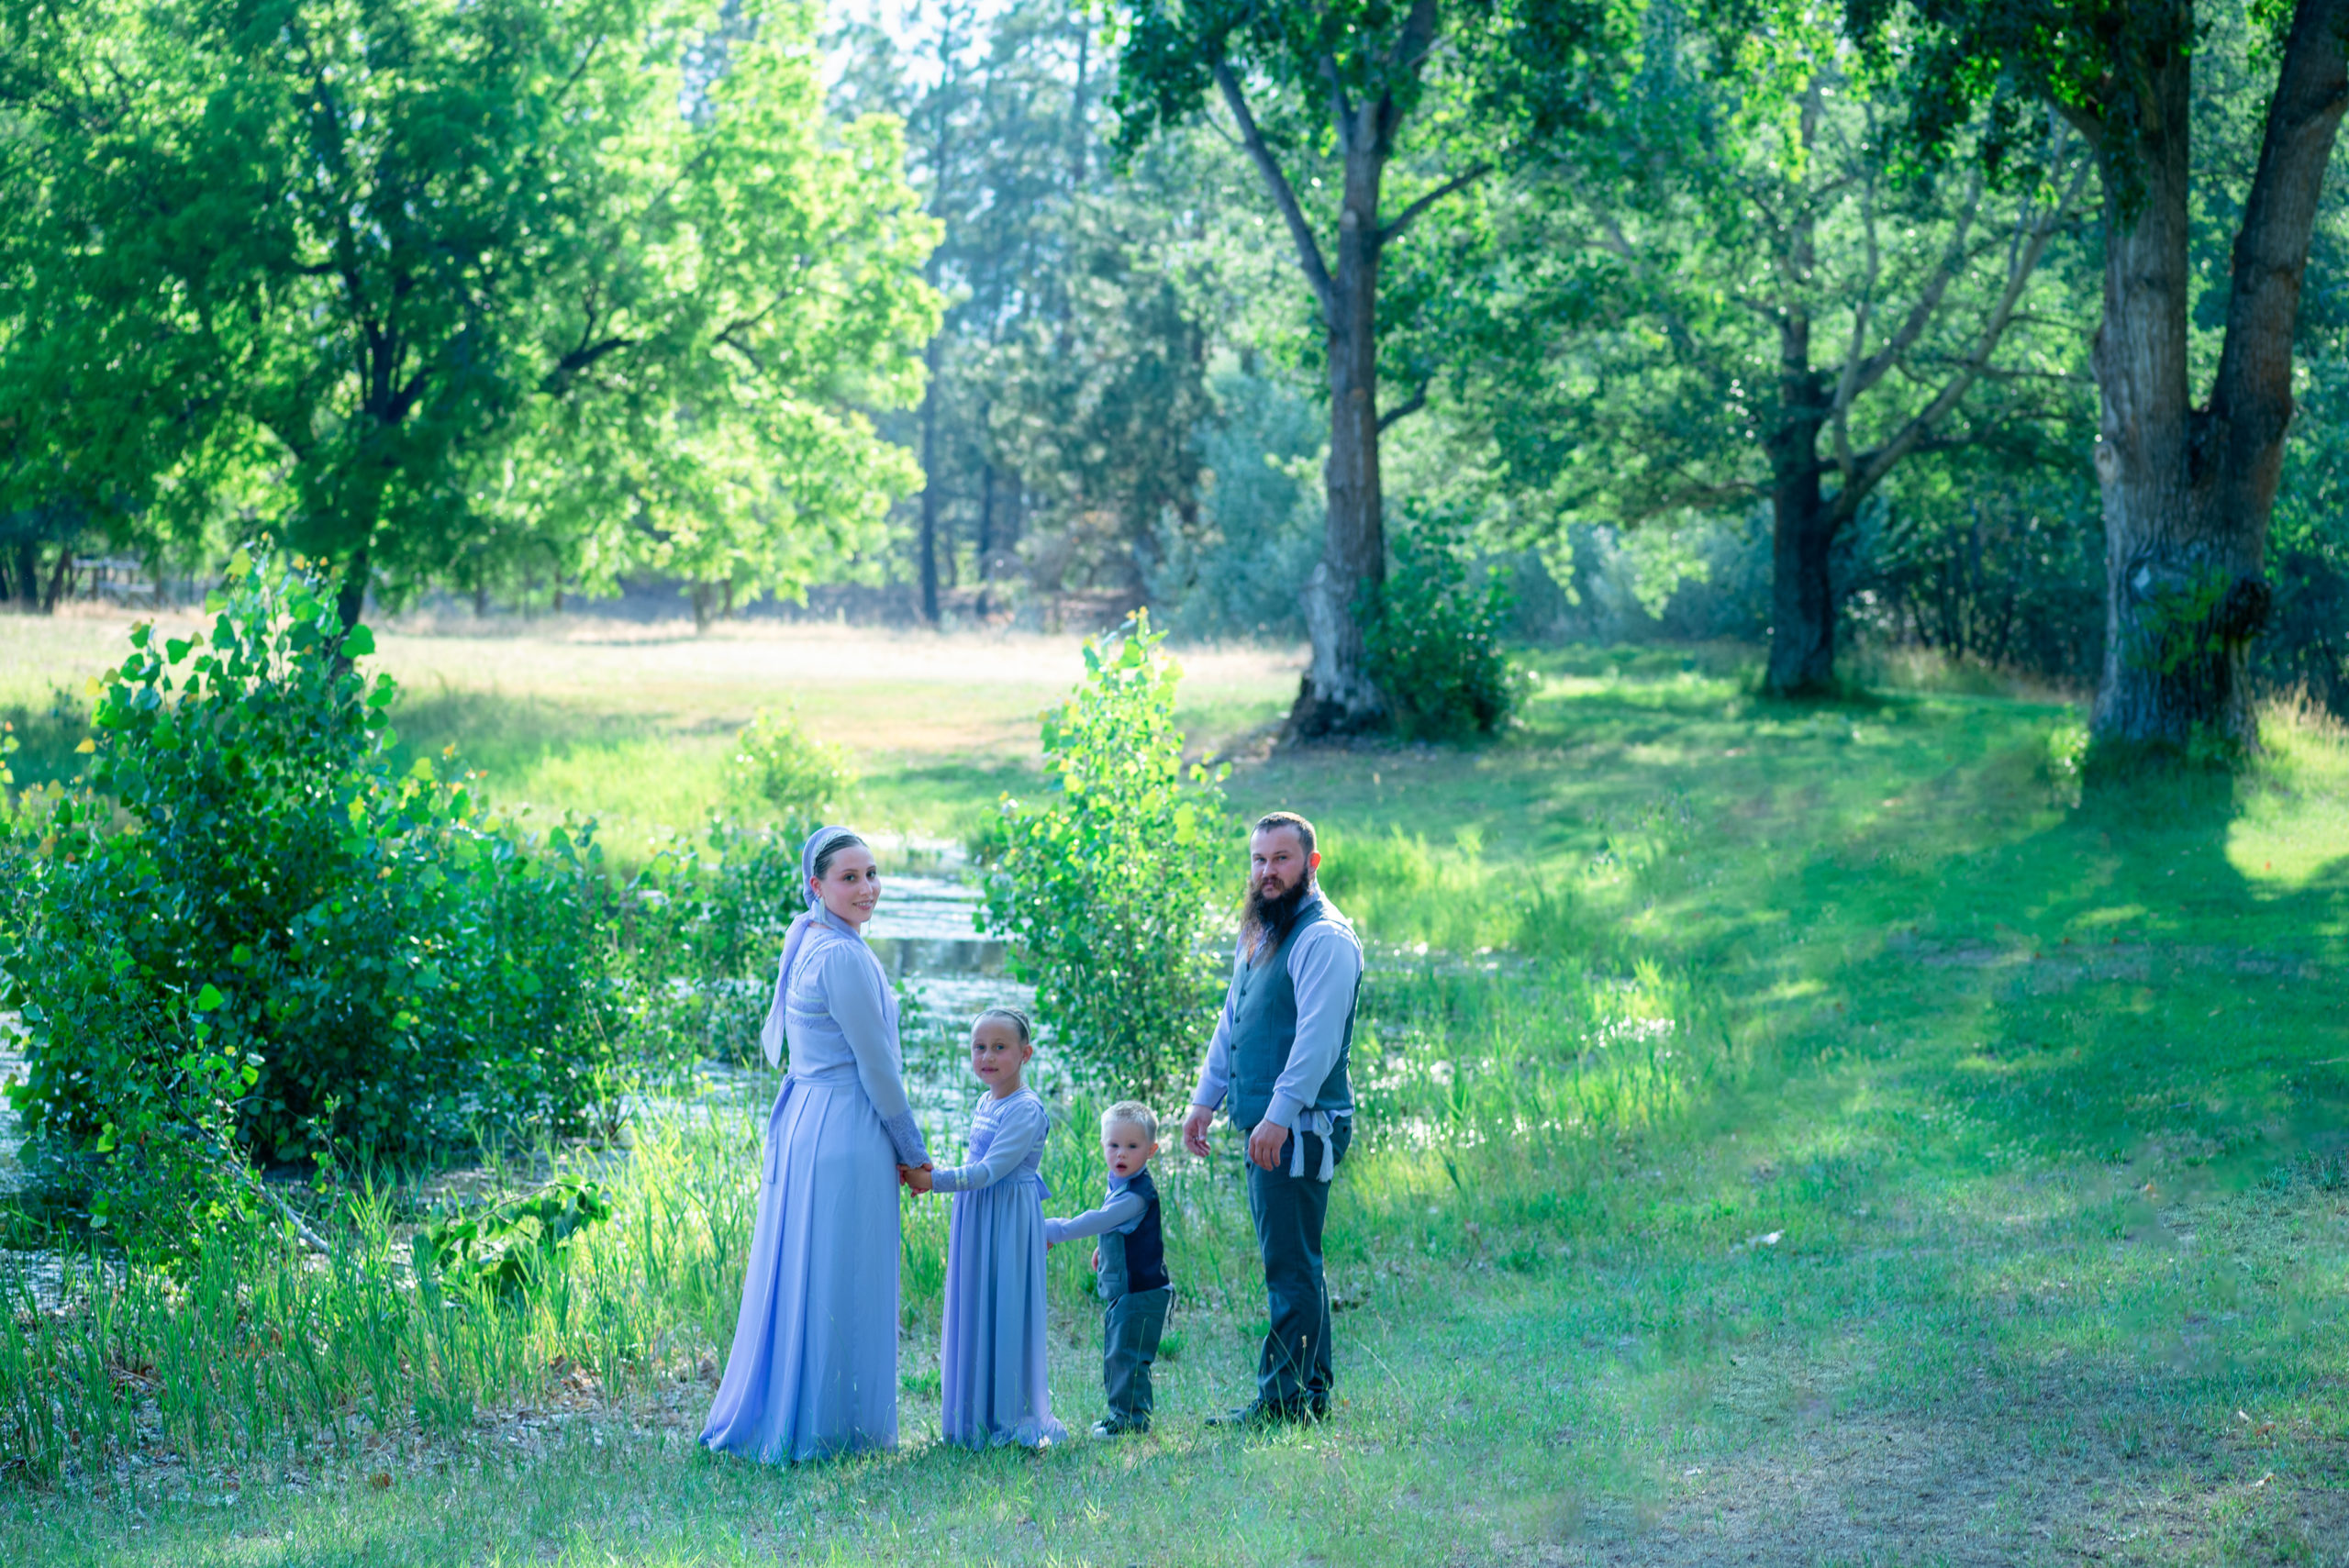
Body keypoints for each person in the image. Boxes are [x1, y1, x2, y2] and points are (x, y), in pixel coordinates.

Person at [701, 826, 932, 1464]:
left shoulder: (806, 935)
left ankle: (805, 1409)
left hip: (807, 1117)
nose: (866, 888)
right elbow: (878, 1069)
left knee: (812, 1267)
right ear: (816, 885)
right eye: (849, 877)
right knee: (842, 1274)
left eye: (872, 874)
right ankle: (836, 1427)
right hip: (844, 1126)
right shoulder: (840, 955)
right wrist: (911, 1152)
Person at [1182, 810, 1362, 1427]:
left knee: (1290, 1266)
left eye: (1281, 859)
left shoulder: (1325, 938)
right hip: (1270, 1123)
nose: (1267, 871)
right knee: (1295, 1261)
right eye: (1259, 859)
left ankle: (1283, 1401)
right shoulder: (1263, 930)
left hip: (1303, 1128)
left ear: (1311, 863)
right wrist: (1206, 1098)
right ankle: (1309, 1394)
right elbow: (1235, 1017)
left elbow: (1315, 1041)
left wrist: (1279, 1115)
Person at [903, 1007, 1066, 1450]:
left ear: (1025, 1053)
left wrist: (932, 1180)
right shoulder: (986, 1100)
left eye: (1000, 1047)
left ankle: (1007, 1416)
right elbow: (976, 1166)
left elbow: (991, 1169)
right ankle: (970, 1413)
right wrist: (930, 1175)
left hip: (1008, 1218)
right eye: (979, 1047)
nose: (987, 1057)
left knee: (1004, 1305)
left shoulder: (1026, 1109)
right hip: (977, 1214)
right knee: (975, 1303)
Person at [1045, 1101, 1173, 1438]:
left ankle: (1131, 1421)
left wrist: (1053, 1230)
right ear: (1103, 1145)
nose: (1121, 1154)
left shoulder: (1137, 1194)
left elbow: (1101, 1219)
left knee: (1127, 1356)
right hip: (1127, 1289)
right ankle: (1120, 1414)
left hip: (1141, 1291)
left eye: (1133, 1147)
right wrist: (1104, 1250)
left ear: (1151, 1151)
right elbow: (1118, 1229)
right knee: (1117, 1353)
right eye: (1114, 1145)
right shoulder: (1120, 1182)